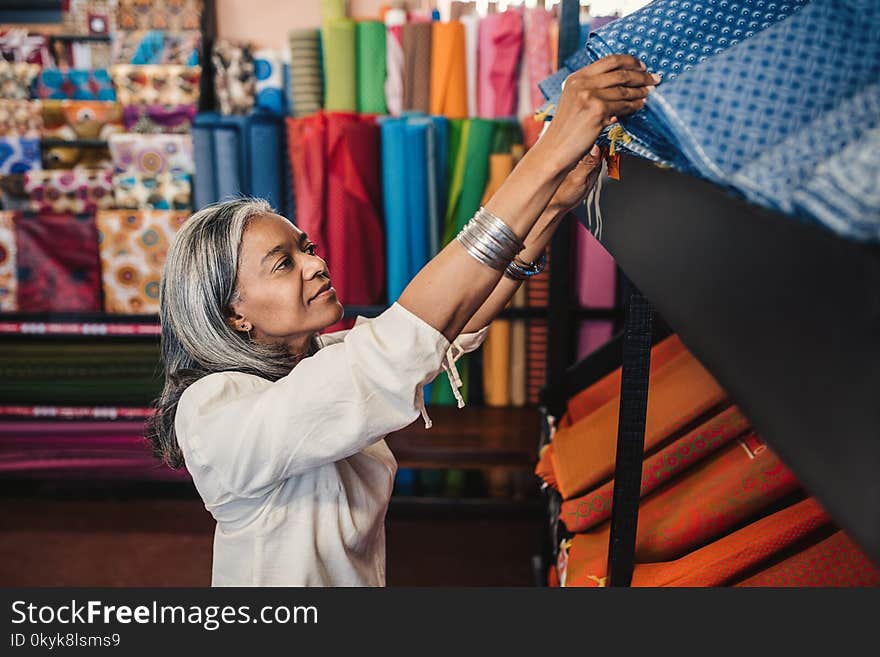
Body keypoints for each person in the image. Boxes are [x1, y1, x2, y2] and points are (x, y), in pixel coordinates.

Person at [146, 55, 659, 586]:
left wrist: (551, 207)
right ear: (233, 314)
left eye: (308, 248)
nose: (318, 263)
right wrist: (550, 152)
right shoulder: (212, 413)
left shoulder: (317, 358)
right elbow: (402, 340)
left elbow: (449, 329)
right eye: (284, 263)